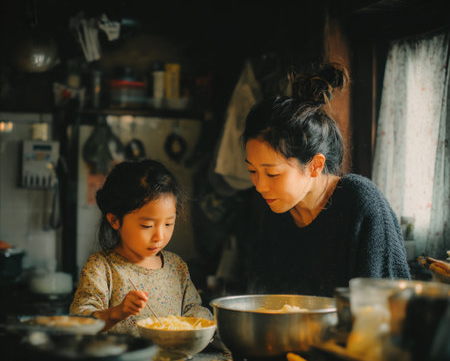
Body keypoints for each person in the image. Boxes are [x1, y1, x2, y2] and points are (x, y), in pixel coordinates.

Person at [241, 62, 411, 297]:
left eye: (272, 173)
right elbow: (264, 297)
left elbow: (387, 309)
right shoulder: (275, 214)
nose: (260, 186)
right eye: (252, 171)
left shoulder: (361, 203)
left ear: (315, 166)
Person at [70, 159, 212, 336]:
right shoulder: (101, 268)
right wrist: (116, 313)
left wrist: (214, 324)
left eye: (168, 224)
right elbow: (79, 322)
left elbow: (193, 311)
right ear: (115, 220)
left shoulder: (176, 266)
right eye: (146, 226)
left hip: (172, 360)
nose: (159, 237)